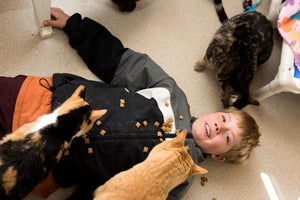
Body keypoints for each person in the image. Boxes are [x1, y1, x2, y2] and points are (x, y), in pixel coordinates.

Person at [0, 8, 260, 200]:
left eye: (227, 138)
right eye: (224, 120)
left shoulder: (177, 183)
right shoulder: (173, 95)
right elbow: (121, 61)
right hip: (45, 101)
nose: (218, 127)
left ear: (218, 156)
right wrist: (75, 26)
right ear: (218, 112)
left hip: (45, 166)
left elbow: (112, 195)